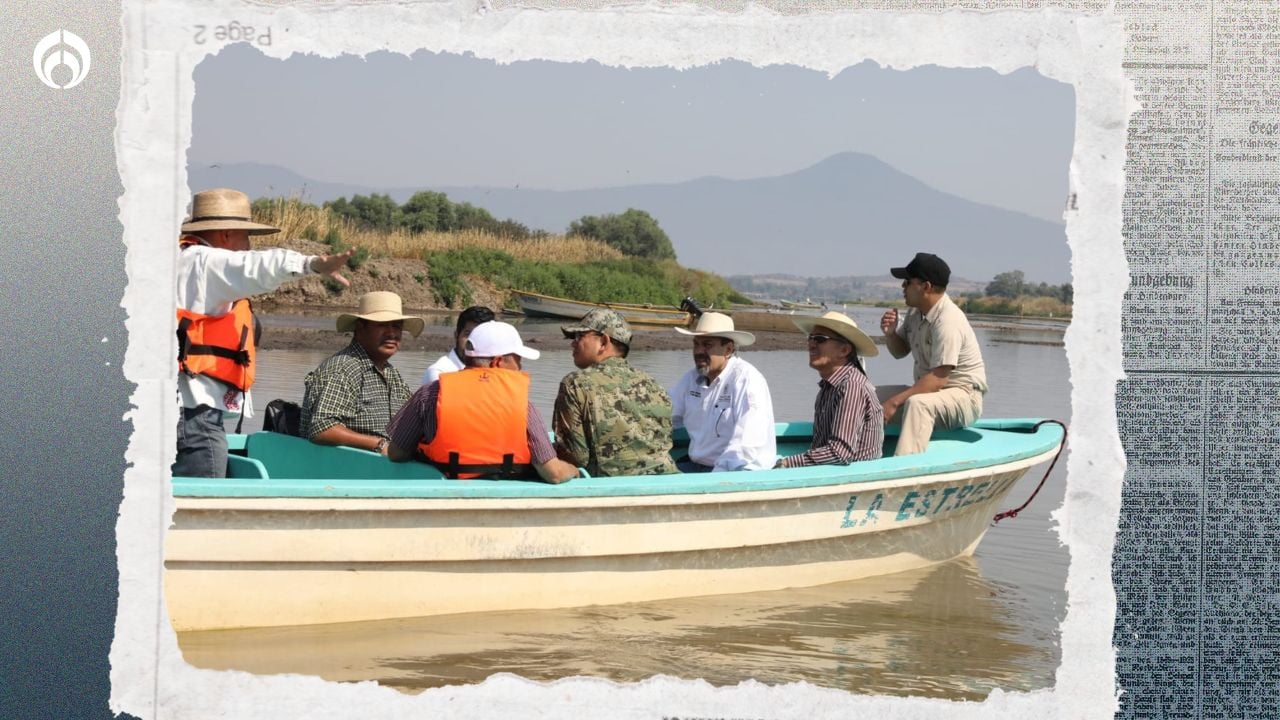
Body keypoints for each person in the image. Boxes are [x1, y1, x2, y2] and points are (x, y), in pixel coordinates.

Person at [174, 187, 354, 478]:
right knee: (202, 505)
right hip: (194, 416)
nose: (248, 246)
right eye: (246, 236)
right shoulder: (208, 261)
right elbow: (256, 266)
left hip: (168, 410)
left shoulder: (174, 261)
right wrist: (312, 264)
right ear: (226, 234)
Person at [385, 321, 578, 483]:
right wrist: (573, 470)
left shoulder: (430, 393)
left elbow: (396, 453)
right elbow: (553, 473)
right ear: (498, 362)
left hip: (444, 493)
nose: (520, 367)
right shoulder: (522, 406)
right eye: (518, 360)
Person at [878, 252, 988, 456]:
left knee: (917, 404)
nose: (903, 287)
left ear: (925, 287)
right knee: (867, 396)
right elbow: (899, 352)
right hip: (932, 394)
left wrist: (894, 402)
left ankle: (904, 472)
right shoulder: (915, 312)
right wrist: (891, 333)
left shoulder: (948, 320)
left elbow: (938, 379)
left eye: (907, 282)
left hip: (964, 397)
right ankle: (857, 455)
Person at [553, 309, 678, 477]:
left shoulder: (575, 384)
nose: (573, 343)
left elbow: (575, 457)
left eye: (579, 337)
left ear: (604, 342)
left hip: (612, 487)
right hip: (667, 480)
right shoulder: (654, 384)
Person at [299, 292, 423, 455]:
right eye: (383, 324)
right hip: (345, 471)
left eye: (397, 326)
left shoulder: (391, 373)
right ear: (360, 328)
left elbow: (414, 418)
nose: (392, 333)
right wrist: (380, 445)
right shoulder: (344, 368)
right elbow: (322, 428)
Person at [669, 312, 776, 472]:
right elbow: (667, 413)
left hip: (739, 472)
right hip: (697, 466)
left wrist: (716, 477)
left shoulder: (746, 379)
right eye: (696, 344)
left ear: (728, 350)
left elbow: (746, 445)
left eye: (707, 345)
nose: (699, 351)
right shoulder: (691, 378)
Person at [775, 311, 883, 468]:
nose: (811, 344)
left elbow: (840, 453)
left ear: (844, 350)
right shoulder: (829, 386)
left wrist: (786, 463)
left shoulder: (851, 386)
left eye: (820, 339)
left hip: (852, 477)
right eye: (810, 338)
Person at [422, 305, 495, 386]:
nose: (473, 343)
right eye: (468, 334)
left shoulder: (495, 372)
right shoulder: (439, 373)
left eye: (482, 337)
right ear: (456, 335)